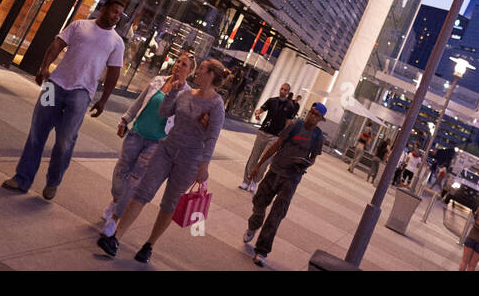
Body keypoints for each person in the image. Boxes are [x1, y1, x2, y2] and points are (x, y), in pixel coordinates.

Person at [97, 58, 227, 262]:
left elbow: (212, 137)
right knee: (142, 191)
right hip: (166, 149)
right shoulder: (185, 93)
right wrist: (173, 92)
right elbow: (164, 112)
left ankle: (149, 245)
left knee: (169, 203)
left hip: (190, 160)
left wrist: (204, 165)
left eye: (201, 69)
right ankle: (115, 238)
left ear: (211, 75)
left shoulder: (216, 105)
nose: (198, 71)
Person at [1, 0, 127, 199]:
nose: (116, 17)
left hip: (81, 93)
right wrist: (44, 67)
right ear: (103, 10)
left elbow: (113, 73)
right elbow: (57, 45)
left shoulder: (116, 42)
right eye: (114, 12)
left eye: (119, 15)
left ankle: (53, 182)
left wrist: (103, 100)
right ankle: (22, 179)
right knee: (37, 133)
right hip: (55, 85)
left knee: (65, 140)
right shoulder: (80, 25)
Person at [100, 51, 196, 234]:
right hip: (136, 133)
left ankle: (115, 218)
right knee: (121, 170)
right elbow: (139, 102)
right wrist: (125, 119)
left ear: (190, 72)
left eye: (184, 65)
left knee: (135, 180)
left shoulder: (187, 95)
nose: (178, 65)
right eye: (178, 61)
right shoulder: (159, 80)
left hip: (157, 143)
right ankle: (115, 200)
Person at [242, 101, 326, 266]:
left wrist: (305, 164)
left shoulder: (318, 137)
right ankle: (253, 225)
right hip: (275, 171)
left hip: (291, 178)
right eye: (311, 112)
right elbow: (276, 146)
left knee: (276, 215)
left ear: (321, 119)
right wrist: (259, 164)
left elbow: (313, 158)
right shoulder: (295, 126)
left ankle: (261, 251)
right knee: (259, 202)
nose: (312, 116)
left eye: (316, 115)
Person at [239, 82, 297, 192]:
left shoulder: (290, 106)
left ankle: (255, 181)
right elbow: (260, 110)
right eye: (281, 89)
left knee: (265, 161)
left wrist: (282, 136)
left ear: (288, 92)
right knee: (254, 157)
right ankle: (246, 181)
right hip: (263, 132)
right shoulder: (272, 101)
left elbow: (288, 123)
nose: (282, 91)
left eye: (285, 90)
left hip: (275, 137)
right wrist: (257, 114)